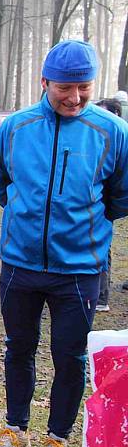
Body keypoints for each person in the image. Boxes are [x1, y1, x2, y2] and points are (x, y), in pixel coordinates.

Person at [0, 40, 128, 447]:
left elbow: (119, 197)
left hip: (79, 271)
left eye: (84, 87)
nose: (75, 97)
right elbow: (2, 185)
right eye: (65, 87)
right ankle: (15, 428)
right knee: (18, 349)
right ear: (44, 82)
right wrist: (31, 222)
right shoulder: (17, 128)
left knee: (70, 357)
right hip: (20, 265)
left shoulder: (111, 131)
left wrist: (80, 230)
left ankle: (58, 438)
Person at [92, 98, 123, 306]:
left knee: (103, 252)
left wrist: (107, 212)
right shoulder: (95, 138)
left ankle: (102, 297)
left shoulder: (119, 139)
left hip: (103, 211)